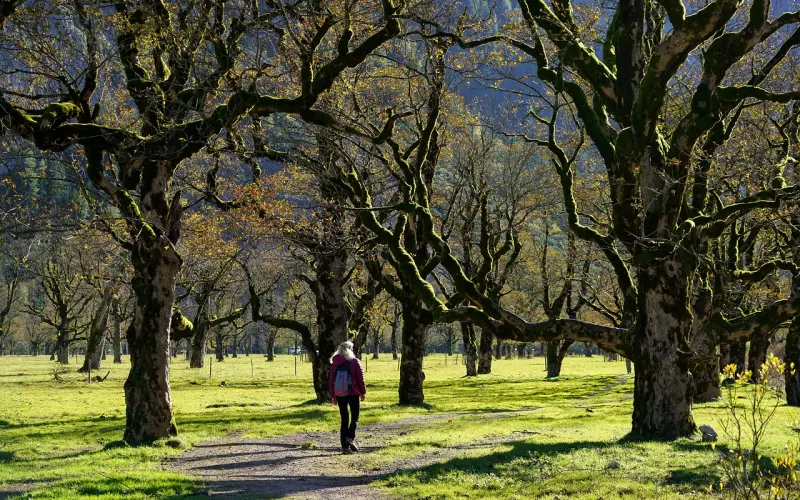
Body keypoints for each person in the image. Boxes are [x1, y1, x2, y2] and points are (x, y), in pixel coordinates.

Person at [329, 341, 366, 454]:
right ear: (351, 349)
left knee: (344, 420)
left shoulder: (335, 363)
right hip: (353, 393)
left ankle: (345, 447)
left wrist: (333, 396)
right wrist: (363, 392)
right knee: (355, 418)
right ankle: (350, 438)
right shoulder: (354, 361)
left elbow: (331, 381)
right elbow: (360, 378)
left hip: (340, 394)